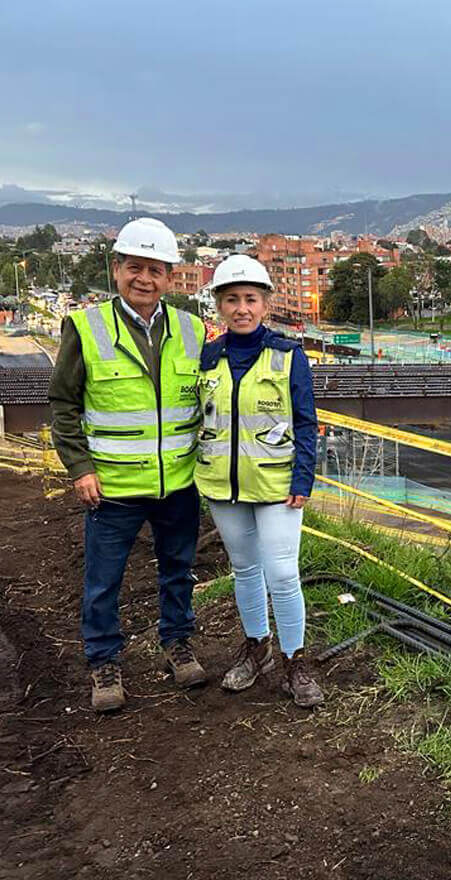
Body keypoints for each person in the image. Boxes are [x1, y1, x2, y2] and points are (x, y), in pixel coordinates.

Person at [48, 217, 208, 712]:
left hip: (178, 482)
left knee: (178, 570)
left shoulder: (192, 328)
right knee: (103, 580)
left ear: (170, 276)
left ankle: (177, 643)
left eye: (155, 270)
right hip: (112, 486)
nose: (145, 278)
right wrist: (80, 468)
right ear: (116, 270)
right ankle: (103, 663)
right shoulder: (86, 327)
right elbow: (63, 405)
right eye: (134, 267)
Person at [195, 255, 323, 708]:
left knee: (283, 573)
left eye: (250, 299)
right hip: (223, 486)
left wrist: (303, 478)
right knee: (245, 569)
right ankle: (257, 648)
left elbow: (306, 423)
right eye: (232, 300)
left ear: (265, 304)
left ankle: (295, 661)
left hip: (276, 485)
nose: (241, 308)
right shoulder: (208, 358)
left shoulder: (288, 357)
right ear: (219, 306)